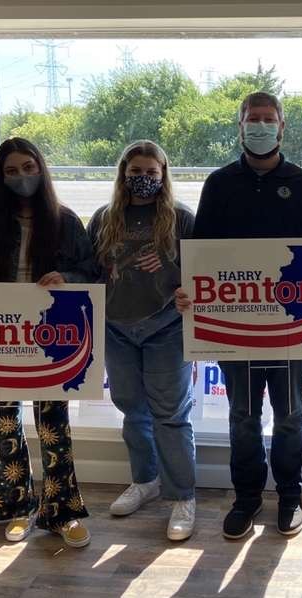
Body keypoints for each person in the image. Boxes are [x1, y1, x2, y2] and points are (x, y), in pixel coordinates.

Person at [176, 91, 302, 539]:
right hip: (238, 327)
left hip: (291, 326)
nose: (261, 126)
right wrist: (192, 294)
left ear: (282, 127)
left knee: (290, 415)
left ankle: (290, 495)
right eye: (253, 119)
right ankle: (246, 498)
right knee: (243, 417)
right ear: (241, 126)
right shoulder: (219, 183)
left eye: (269, 119)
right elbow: (201, 257)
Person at [0, 137, 94, 548]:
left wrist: (67, 280)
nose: (22, 177)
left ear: (42, 169)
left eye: (28, 167)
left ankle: (62, 512)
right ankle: (17, 508)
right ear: (0, 177)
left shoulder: (66, 221)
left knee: (54, 425)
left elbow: (90, 271)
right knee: (6, 426)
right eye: (12, 170)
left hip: (50, 337)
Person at [87, 140, 197, 541]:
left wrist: (168, 267)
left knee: (170, 414)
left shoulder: (181, 218)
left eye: (152, 172)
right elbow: (89, 268)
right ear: (123, 173)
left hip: (166, 327)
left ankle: (183, 495)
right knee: (132, 409)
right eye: (136, 172)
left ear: (164, 174)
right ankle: (145, 479)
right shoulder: (104, 217)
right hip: (117, 329)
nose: (144, 179)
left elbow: (203, 273)